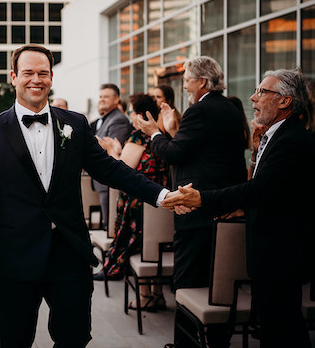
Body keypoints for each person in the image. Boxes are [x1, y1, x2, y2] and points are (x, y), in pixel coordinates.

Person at [0, 44, 173, 348]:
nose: (36, 79)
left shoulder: (74, 123)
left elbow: (110, 170)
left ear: (50, 78)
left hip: (68, 252)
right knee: (14, 340)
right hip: (13, 256)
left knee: (75, 336)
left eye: (43, 73)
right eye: (28, 73)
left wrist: (161, 195)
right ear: (13, 76)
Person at [164, 68, 315, 348]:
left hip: (282, 253)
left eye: (262, 92)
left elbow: (260, 189)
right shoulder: (277, 135)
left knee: (284, 329)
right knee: (276, 326)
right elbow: (272, 191)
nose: (252, 98)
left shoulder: (293, 140)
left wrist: (203, 199)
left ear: (284, 102)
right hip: (270, 251)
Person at [138, 56, 248, 348]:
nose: (184, 84)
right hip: (221, 208)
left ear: (202, 82)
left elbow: (173, 154)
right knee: (217, 286)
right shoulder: (229, 109)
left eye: (186, 79)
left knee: (187, 282)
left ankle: (186, 343)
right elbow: (196, 153)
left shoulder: (201, 110)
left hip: (197, 211)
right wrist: (173, 131)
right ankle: (213, 342)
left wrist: (156, 134)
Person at [97, 93, 169, 311]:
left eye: (130, 112)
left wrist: (113, 152)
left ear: (139, 115)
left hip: (138, 201)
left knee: (137, 247)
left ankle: (145, 296)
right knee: (152, 247)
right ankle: (156, 294)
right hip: (159, 198)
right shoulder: (162, 137)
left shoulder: (138, 137)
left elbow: (123, 171)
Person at [90, 83, 133, 230]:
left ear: (117, 100)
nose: (102, 100)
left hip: (109, 181)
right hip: (102, 181)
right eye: (100, 96)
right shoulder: (107, 118)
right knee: (107, 224)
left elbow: (112, 149)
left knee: (111, 226)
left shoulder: (118, 120)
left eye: (106, 97)